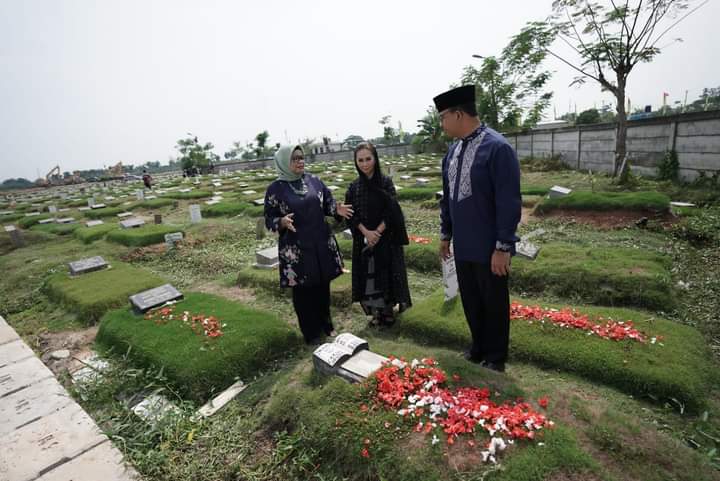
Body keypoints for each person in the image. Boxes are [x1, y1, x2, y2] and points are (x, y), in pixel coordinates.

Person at [434, 85, 522, 372]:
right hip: (464, 245)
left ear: (458, 114)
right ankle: (478, 347)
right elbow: (448, 198)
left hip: (490, 247)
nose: (441, 124)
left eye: (443, 117)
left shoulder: (497, 148)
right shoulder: (452, 152)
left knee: (494, 302)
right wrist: (445, 234)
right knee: (472, 300)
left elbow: (509, 202)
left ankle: (496, 357)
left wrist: (503, 247)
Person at [264, 145, 354, 344]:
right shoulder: (275, 189)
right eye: (294, 158)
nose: (300, 161)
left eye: (301, 157)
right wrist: (281, 222)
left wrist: (336, 210)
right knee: (304, 292)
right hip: (296, 249)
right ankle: (311, 332)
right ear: (284, 162)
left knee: (322, 286)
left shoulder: (313, 181)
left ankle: (326, 324)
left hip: (320, 243)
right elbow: (269, 217)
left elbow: (327, 203)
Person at [344, 142, 411, 327]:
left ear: (375, 158)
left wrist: (378, 232)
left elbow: (392, 212)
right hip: (363, 239)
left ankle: (387, 311)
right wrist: (366, 232)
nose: (365, 164)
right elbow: (351, 216)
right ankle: (375, 313)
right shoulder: (353, 187)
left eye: (368, 159)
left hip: (385, 238)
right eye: (360, 160)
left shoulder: (385, 182)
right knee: (369, 275)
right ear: (355, 162)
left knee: (386, 274)